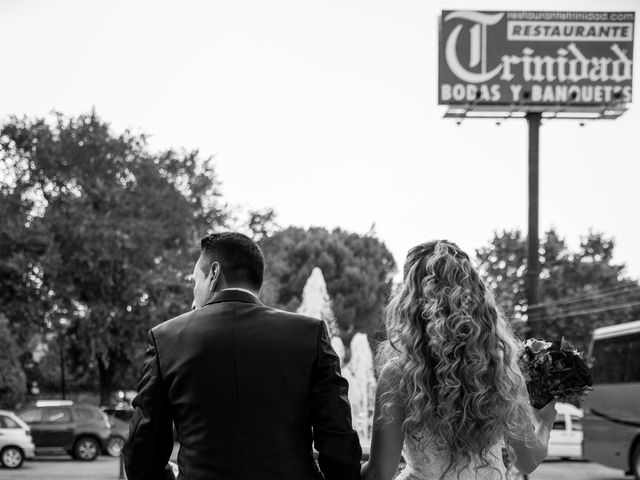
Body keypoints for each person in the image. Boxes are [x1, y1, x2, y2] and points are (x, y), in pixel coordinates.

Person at [123, 232, 362, 480]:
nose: (193, 295)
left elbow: (141, 452)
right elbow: (338, 440)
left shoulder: (166, 338)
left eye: (195, 282)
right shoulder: (310, 334)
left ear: (214, 274)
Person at [361, 240, 557, 480]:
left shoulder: (398, 375)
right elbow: (528, 462)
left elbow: (379, 473)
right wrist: (545, 423)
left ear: (409, 300)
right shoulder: (500, 369)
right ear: (476, 297)